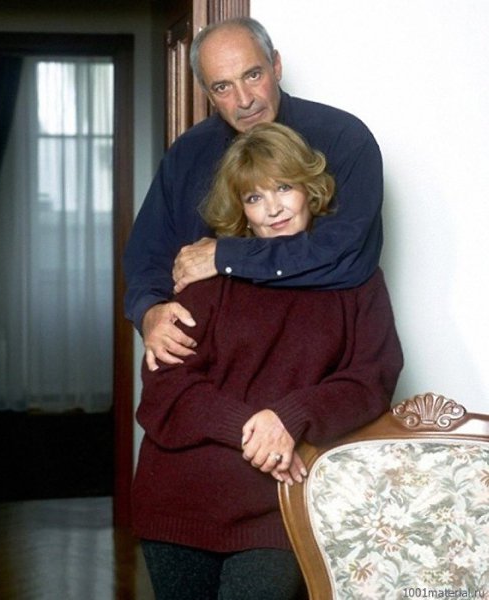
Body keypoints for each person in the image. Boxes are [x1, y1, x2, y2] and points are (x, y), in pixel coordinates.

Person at [131, 122, 403, 599]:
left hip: (280, 501)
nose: (273, 208)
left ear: (311, 190)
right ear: (241, 208)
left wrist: (290, 416)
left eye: (284, 188)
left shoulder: (356, 279)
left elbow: (370, 381)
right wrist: (253, 427)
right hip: (180, 496)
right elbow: (166, 386)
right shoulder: (207, 275)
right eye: (255, 197)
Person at [124, 17, 385, 371]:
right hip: (212, 367)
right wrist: (149, 310)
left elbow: (346, 257)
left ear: (276, 65)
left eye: (252, 75)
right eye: (223, 87)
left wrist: (224, 256)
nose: (244, 100)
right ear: (207, 93)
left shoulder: (344, 138)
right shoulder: (187, 155)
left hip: (323, 361)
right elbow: (147, 255)